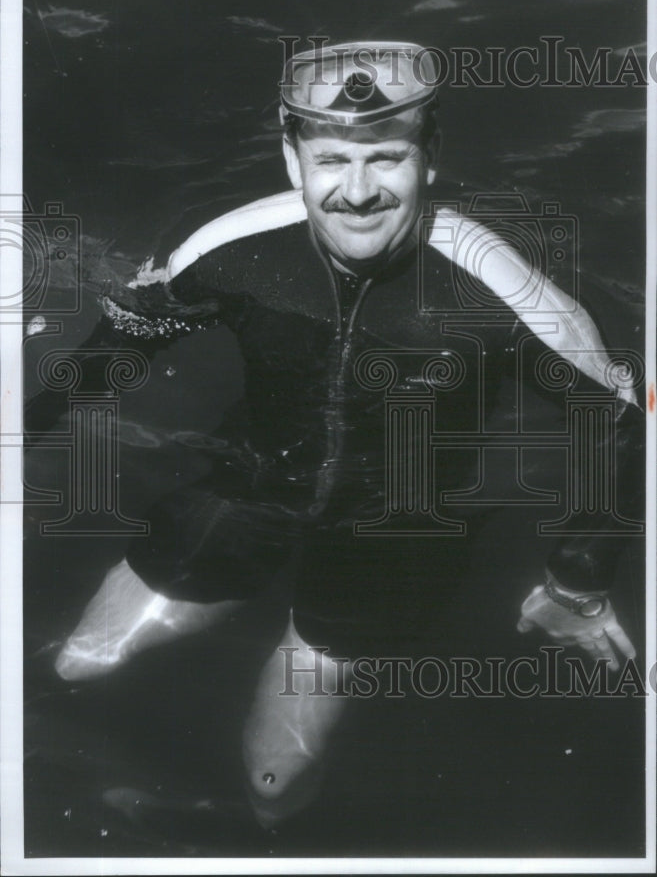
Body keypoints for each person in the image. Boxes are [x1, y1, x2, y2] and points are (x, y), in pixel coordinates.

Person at [52, 41, 643, 827]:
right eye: (332, 158)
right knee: (76, 667)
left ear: (429, 156)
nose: (357, 192)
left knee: (274, 787)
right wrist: (26, 432)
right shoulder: (226, 248)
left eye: (386, 158)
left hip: (398, 528)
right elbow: (110, 354)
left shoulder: (507, 291)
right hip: (250, 482)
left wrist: (577, 583)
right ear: (292, 157)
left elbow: (616, 423)